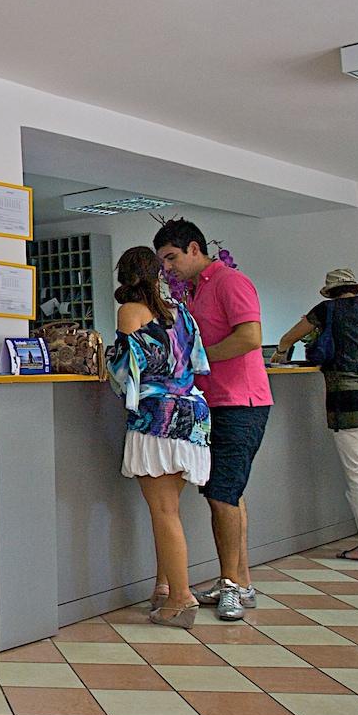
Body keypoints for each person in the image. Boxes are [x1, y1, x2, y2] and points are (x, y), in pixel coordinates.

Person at [154, 218, 265, 621]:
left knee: (222, 494)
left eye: (172, 257)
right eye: (163, 262)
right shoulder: (194, 291)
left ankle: (231, 585)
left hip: (241, 402)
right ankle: (240, 581)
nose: (168, 267)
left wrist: (197, 360)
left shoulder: (230, 281)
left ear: (194, 249)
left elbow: (250, 337)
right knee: (226, 493)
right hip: (211, 403)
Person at [105, 246, 213, 628]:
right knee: (171, 510)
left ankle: (181, 599)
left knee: (164, 512)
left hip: (157, 417)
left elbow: (125, 370)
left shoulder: (130, 312)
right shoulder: (180, 312)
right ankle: (164, 587)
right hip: (193, 414)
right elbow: (198, 363)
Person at [271, 269, 358, 564]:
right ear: (355, 288)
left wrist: (280, 352)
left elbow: (288, 337)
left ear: (331, 292)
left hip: (347, 399)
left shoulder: (326, 310)